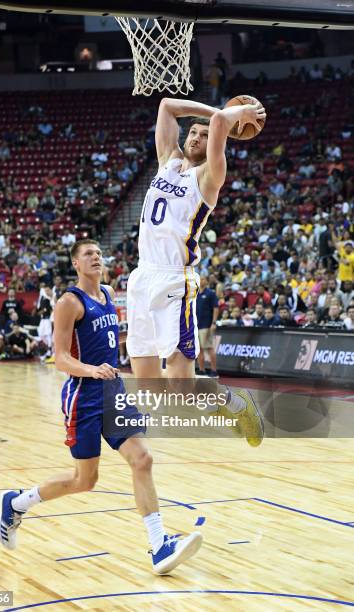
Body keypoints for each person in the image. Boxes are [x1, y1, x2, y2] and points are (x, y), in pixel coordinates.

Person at [0, 239, 202, 574]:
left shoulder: (108, 294)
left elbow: (105, 340)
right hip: (83, 395)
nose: (96, 258)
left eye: (98, 254)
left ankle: (159, 545)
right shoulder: (68, 302)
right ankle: (17, 503)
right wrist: (91, 369)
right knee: (85, 479)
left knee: (143, 458)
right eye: (88, 254)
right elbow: (59, 357)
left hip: (113, 391)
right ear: (75, 264)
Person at [126, 96, 266, 446]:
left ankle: (235, 403)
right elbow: (166, 107)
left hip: (175, 279)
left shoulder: (209, 176)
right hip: (142, 277)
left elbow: (220, 124)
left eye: (204, 135)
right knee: (151, 389)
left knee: (181, 387)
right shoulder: (168, 161)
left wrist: (232, 117)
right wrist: (214, 112)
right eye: (193, 132)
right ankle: (219, 404)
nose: (195, 137)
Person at [196, 275, 219, 376]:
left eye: (203, 279)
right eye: (200, 279)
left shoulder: (210, 293)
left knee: (209, 347)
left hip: (206, 324)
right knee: (199, 348)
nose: (201, 280)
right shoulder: (195, 294)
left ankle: (214, 370)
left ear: (207, 281)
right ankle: (202, 369)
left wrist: (213, 322)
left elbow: (216, 308)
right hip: (196, 325)